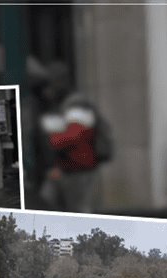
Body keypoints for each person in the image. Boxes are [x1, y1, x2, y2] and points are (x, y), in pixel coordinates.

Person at [37, 62, 112, 213]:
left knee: (78, 209)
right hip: (66, 167)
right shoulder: (60, 105)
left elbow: (74, 135)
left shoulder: (76, 104)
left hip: (78, 168)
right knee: (49, 204)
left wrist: (51, 142)